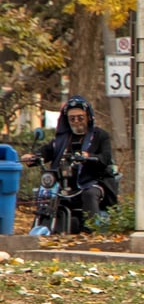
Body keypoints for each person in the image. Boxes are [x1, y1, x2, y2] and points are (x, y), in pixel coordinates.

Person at [21, 95, 118, 227]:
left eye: (80, 117)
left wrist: (87, 156)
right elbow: (48, 151)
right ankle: (43, 227)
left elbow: (105, 158)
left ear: (88, 117)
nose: (76, 121)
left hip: (93, 180)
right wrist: (33, 157)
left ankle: (94, 230)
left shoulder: (100, 135)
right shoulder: (62, 139)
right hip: (64, 182)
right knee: (48, 193)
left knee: (89, 194)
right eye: (72, 119)